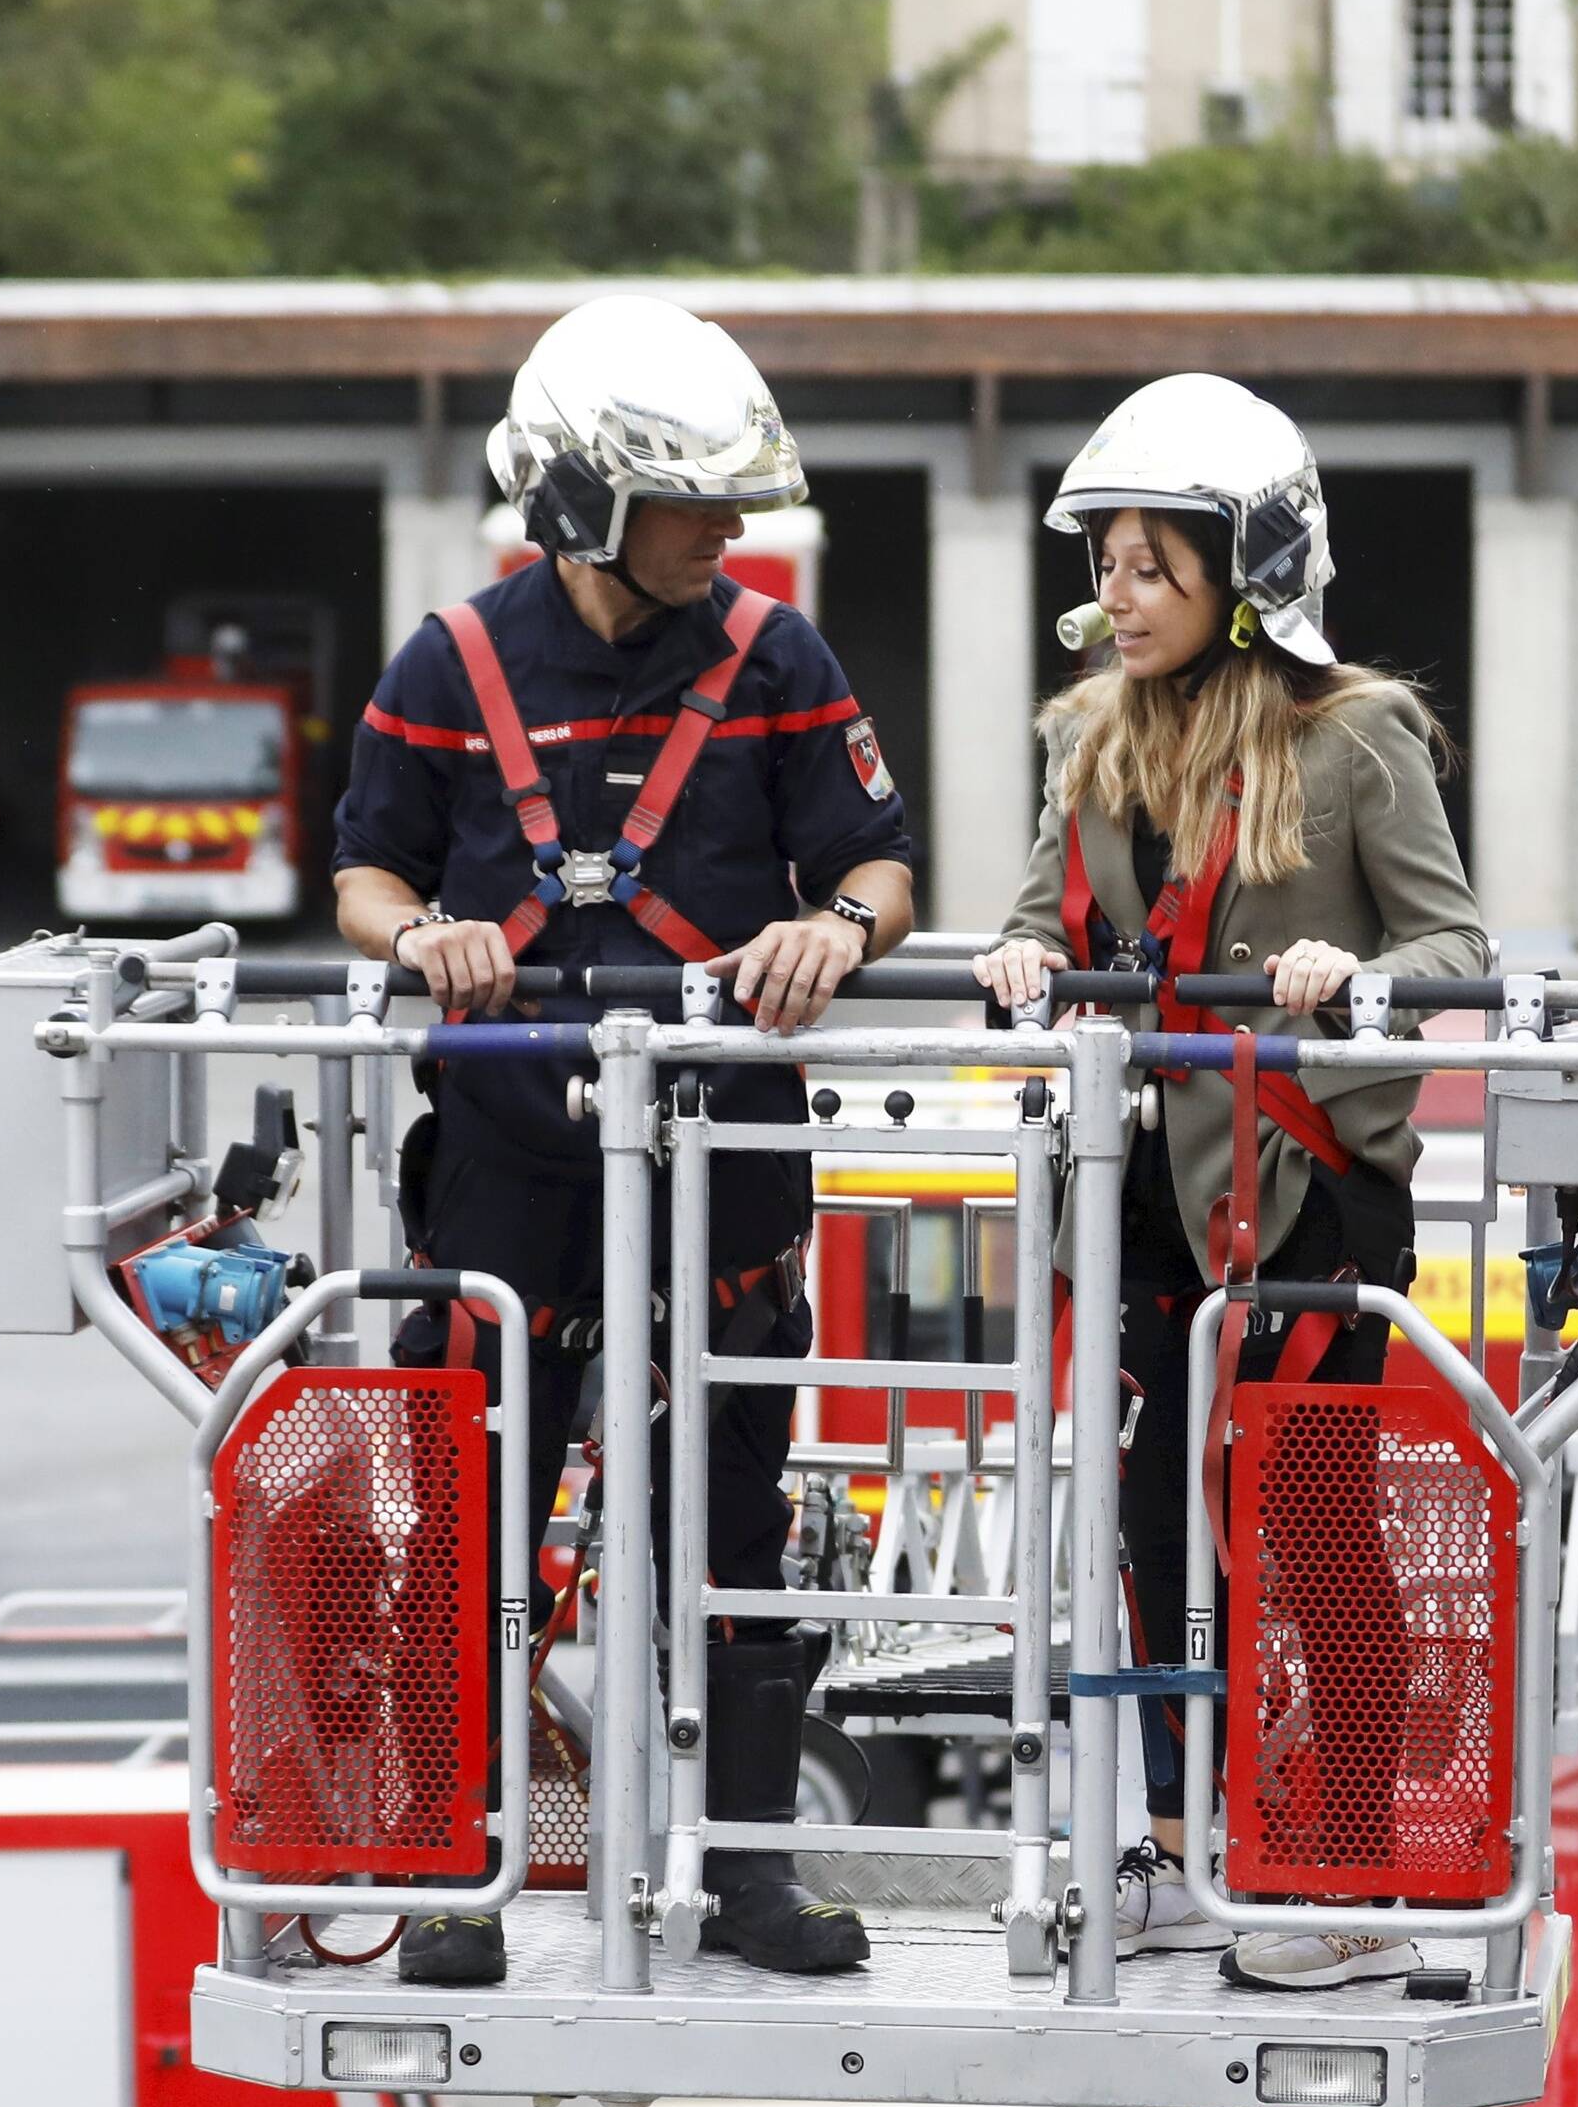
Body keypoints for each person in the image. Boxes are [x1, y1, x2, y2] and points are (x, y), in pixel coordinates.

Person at [333, 295, 919, 1987]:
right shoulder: (452, 660)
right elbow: (367, 869)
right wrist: (412, 938)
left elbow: (878, 860)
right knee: (471, 1517)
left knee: (736, 1516)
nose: (734, 532)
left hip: (724, 1151)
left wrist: (849, 935)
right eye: (699, 502)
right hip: (506, 1166)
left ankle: (742, 1869)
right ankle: (459, 1878)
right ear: (587, 497)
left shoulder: (775, 660)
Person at [972, 374, 1488, 1995]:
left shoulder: (1358, 742)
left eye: (1149, 565)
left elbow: (1460, 945)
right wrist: (1019, 957)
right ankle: (1188, 1854)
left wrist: (1359, 971)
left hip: (1307, 1196)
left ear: (1246, 579)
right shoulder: (1086, 739)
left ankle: (1340, 1871)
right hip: (1135, 1193)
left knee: (1317, 1540)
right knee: (1149, 1531)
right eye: (1108, 562)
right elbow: (1046, 923)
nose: (1113, 595)